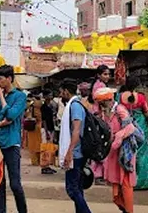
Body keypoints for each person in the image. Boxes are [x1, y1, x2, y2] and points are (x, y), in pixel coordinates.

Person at [0, 65, 28, 213]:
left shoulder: (20, 96)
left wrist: (1, 98)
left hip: (11, 143)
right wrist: (0, 123)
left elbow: (11, 115)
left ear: (9, 79)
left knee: (15, 184)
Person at [104, 88, 142, 213]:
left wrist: (117, 139)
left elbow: (130, 128)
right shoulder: (106, 111)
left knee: (125, 183)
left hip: (125, 151)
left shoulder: (120, 110)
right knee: (117, 184)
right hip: (114, 152)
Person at [58, 80, 92, 213]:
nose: (60, 95)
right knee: (77, 188)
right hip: (77, 152)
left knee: (72, 189)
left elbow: (76, 130)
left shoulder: (75, 106)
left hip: (76, 153)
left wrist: (69, 152)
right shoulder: (75, 104)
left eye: (61, 92)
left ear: (66, 91)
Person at [119, 79, 148, 191]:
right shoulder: (141, 97)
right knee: (142, 153)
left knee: (128, 151)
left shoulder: (120, 96)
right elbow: (146, 112)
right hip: (140, 126)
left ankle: (127, 181)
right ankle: (143, 181)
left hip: (126, 125)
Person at [40, 89, 58, 175]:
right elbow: (44, 120)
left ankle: (47, 165)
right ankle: (44, 166)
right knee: (45, 148)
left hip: (50, 128)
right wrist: (47, 131)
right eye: (49, 95)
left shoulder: (50, 106)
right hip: (46, 129)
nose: (51, 96)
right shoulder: (43, 107)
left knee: (49, 148)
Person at [24, 93, 43, 167]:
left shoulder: (30, 106)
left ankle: (34, 161)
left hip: (32, 127)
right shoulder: (40, 106)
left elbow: (26, 114)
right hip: (38, 126)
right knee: (38, 144)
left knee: (32, 145)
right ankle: (38, 160)